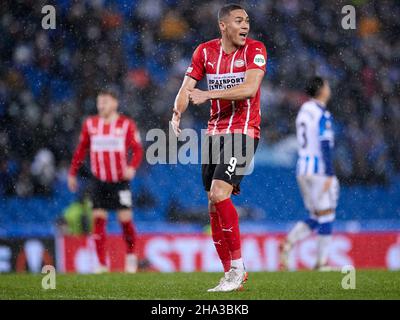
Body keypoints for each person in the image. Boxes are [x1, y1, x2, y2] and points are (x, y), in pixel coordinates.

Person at [171, 3, 267, 292]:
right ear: (223, 26)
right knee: (212, 205)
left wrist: (208, 93)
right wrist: (177, 111)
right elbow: (187, 88)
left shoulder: (255, 50)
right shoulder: (204, 51)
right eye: (239, 20)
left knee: (219, 193)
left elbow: (250, 89)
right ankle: (229, 274)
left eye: (247, 20)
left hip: (243, 132)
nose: (245, 25)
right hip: (214, 134)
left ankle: (238, 267)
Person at [68, 86, 143, 273]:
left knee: (125, 220)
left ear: (115, 103)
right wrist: (72, 173)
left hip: (119, 182)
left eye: (105, 101)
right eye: (99, 102)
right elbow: (81, 149)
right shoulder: (90, 124)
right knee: (98, 219)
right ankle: (101, 264)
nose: (101, 105)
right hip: (99, 181)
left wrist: (132, 167)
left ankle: (131, 258)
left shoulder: (126, 124)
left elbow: (138, 149)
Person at [280, 76, 340, 271]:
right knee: (327, 214)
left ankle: (289, 242)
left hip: (303, 169)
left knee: (315, 215)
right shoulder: (322, 113)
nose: (329, 88)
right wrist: (330, 174)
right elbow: (324, 143)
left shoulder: (303, 111)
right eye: (327, 85)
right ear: (322, 90)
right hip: (318, 170)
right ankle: (321, 263)